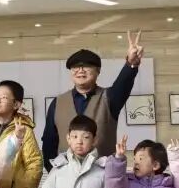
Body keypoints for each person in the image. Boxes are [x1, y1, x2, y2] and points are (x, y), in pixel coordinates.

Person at [42, 32, 145, 166]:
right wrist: (53, 171)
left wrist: (131, 64)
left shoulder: (109, 98)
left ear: (98, 71)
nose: (80, 70)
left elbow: (123, 84)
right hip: (65, 174)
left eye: (86, 66)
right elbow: (49, 141)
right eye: (75, 67)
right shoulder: (58, 102)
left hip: (103, 174)